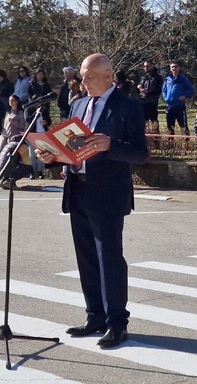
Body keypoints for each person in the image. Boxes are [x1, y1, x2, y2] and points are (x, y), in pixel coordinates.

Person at [35, 53, 149, 348]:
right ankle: (95, 315)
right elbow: (69, 149)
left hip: (108, 194)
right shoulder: (78, 104)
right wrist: (50, 156)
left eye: (88, 76)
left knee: (109, 258)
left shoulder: (128, 106)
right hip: (78, 189)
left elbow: (140, 153)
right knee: (85, 258)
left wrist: (111, 145)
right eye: (81, 76)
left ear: (109, 76)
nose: (82, 81)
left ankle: (116, 323)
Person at [162, 61, 195, 135]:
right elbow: (164, 90)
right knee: (170, 128)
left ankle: (187, 144)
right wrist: (166, 98)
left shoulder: (183, 79)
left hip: (180, 106)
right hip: (169, 107)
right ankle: (170, 144)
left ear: (179, 68)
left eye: (176, 66)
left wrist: (185, 96)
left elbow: (192, 90)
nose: (174, 68)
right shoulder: (167, 79)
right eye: (172, 67)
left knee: (183, 126)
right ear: (170, 69)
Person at [137, 61, 163, 129]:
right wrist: (139, 87)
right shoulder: (143, 77)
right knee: (143, 123)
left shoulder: (157, 77)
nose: (145, 68)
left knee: (154, 122)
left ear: (152, 66)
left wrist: (148, 92)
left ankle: (156, 138)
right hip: (143, 103)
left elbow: (158, 90)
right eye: (144, 66)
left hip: (152, 103)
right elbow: (139, 88)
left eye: (147, 66)